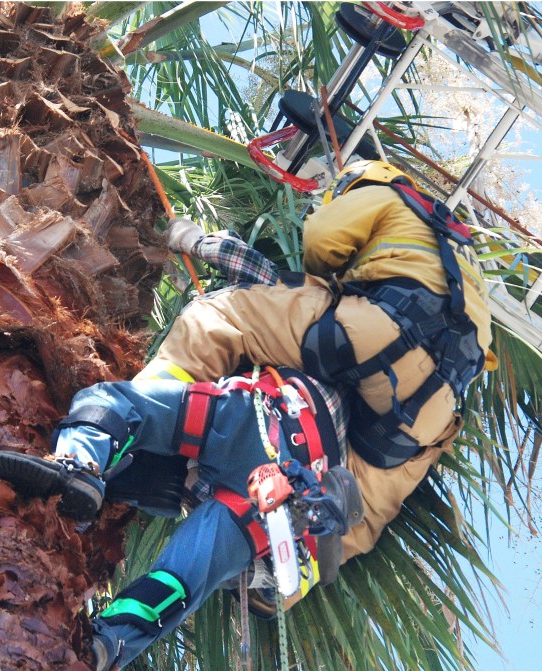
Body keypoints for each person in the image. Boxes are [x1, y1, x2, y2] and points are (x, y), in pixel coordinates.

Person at [135, 159, 494, 562]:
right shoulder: (460, 265)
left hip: (378, 332)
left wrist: (194, 239)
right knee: (365, 509)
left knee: (216, 319)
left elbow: (317, 244)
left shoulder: (387, 196)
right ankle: (285, 576)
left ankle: (143, 412)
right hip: (432, 409)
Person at [0, 365, 363, 671]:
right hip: (274, 481)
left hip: (258, 425)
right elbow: (261, 598)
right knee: (177, 580)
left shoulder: (300, 334)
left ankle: (78, 463)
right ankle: (104, 643)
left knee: (107, 400)